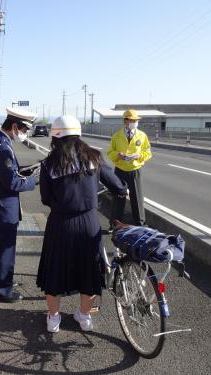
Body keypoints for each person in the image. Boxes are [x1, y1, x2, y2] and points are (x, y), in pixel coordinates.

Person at [36, 115, 128, 333]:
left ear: (55, 136)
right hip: (89, 222)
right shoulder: (94, 158)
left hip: (60, 224)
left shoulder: (49, 164)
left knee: (55, 270)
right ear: (78, 134)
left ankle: (53, 319)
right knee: (89, 269)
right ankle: (85, 317)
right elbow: (118, 187)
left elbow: (45, 199)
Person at [0, 107, 38, 303]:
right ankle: (2, 290)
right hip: (4, 207)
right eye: (23, 130)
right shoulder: (3, 147)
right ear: (14, 126)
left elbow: (10, 172)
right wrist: (34, 181)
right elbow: (12, 182)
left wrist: (27, 171)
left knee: (0, 247)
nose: (24, 134)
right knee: (6, 250)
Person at [107, 109, 152, 227]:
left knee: (137, 198)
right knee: (118, 197)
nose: (134, 122)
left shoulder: (142, 135)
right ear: (125, 121)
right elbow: (110, 152)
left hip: (135, 170)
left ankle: (140, 225)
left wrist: (139, 156)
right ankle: (115, 224)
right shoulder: (116, 136)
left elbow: (148, 153)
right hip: (120, 170)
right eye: (132, 120)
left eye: (136, 120)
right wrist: (118, 155)